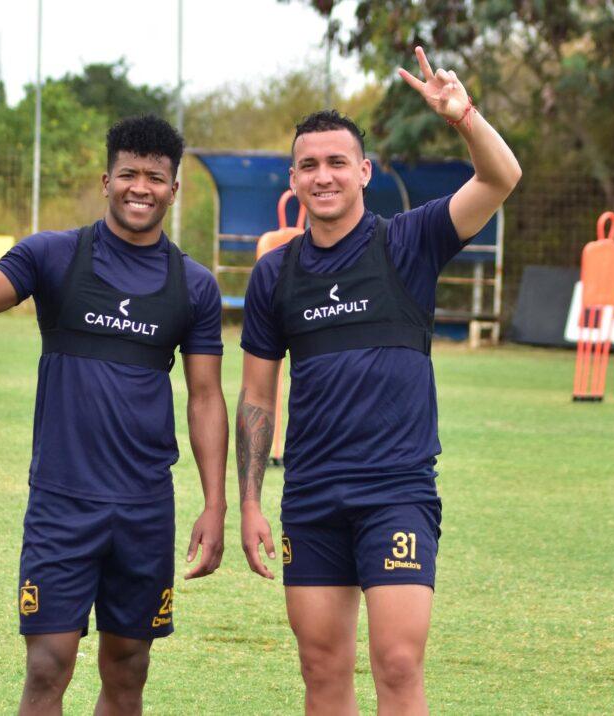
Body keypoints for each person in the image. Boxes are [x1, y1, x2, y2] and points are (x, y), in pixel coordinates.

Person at [235, 47, 521, 715]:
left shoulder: (409, 241)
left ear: (363, 171)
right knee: (322, 669)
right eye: (309, 164)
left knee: (397, 663)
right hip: (310, 496)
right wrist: (250, 501)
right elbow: (255, 397)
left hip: (396, 491)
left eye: (338, 162)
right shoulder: (274, 275)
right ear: (295, 178)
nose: (324, 175)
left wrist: (465, 115)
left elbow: (502, 177)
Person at [0, 115, 227, 715]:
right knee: (47, 665)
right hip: (62, 503)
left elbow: (204, 397)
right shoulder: (53, 256)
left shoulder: (194, 286)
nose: (139, 188)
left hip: (144, 510)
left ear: (174, 189)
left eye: (154, 177)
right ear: (105, 179)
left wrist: (215, 502)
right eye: (127, 174)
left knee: (128, 668)